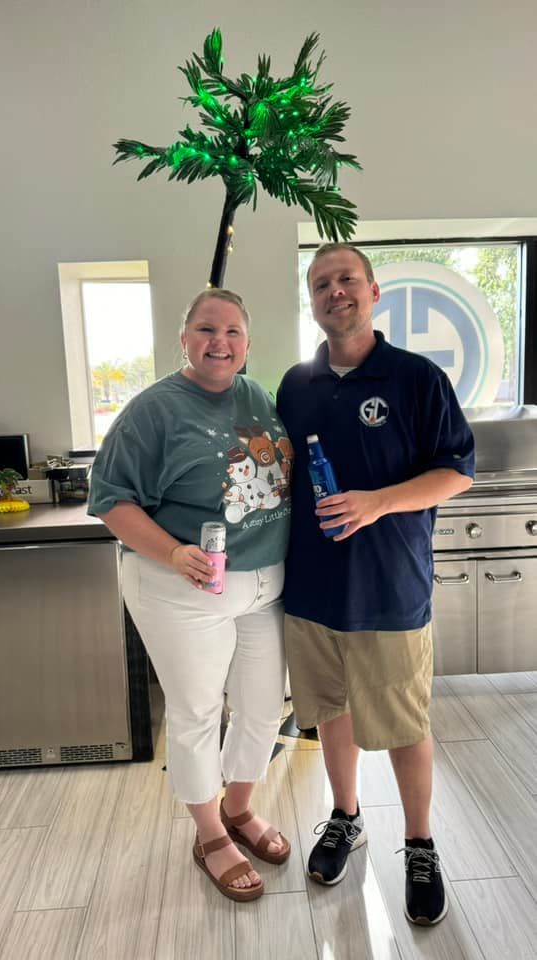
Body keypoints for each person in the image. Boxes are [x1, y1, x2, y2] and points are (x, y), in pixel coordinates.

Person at [277, 243, 475, 925]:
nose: (335, 292)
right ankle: (346, 816)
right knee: (331, 711)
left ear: (373, 291)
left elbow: (457, 471)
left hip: (391, 590)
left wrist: (377, 502)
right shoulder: (295, 385)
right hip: (310, 589)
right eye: (321, 283)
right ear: (313, 300)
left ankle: (419, 843)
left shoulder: (416, 379)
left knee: (402, 723)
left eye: (347, 280)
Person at [88, 288, 293, 902]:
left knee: (263, 707)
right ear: (184, 338)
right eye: (206, 329)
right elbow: (110, 499)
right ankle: (208, 834)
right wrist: (174, 553)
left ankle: (238, 808)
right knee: (198, 711)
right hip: (183, 586)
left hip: (264, 580)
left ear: (247, 344)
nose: (219, 343)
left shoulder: (256, 395)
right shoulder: (153, 411)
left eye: (232, 332)